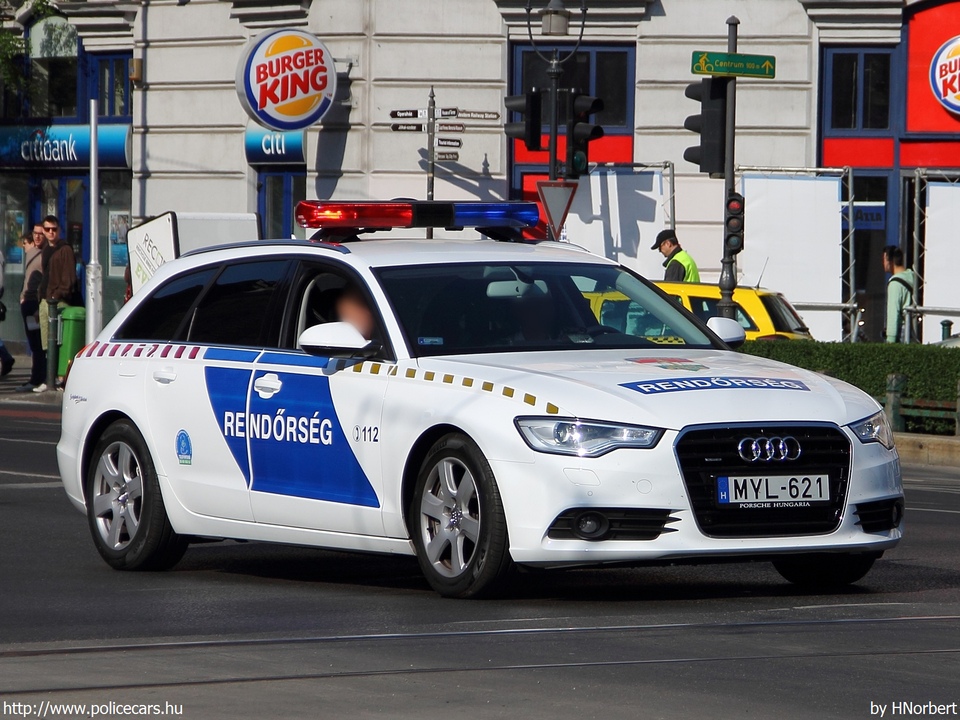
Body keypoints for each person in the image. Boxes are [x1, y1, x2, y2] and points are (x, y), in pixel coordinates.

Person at [36, 215, 77, 392]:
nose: (51, 233)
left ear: (59, 230)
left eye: (54, 229)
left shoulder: (65, 250)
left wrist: (57, 294)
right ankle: (49, 378)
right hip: (46, 300)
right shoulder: (46, 249)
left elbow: (69, 279)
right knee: (47, 343)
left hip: (58, 302)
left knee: (58, 341)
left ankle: (58, 379)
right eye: (47, 230)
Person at [15, 226, 46, 391]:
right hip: (27, 302)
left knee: (38, 343)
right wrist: (22, 296)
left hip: (35, 303)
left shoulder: (44, 255)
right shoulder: (32, 253)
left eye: (42, 233)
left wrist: (39, 305)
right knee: (34, 343)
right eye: (36, 233)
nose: (38, 237)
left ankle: (38, 378)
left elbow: (44, 281)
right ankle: (36, 378)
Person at [883, 245, 917, 344]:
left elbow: (893, 314)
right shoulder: (912, 276)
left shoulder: (895, 284)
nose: (883, 263)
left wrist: (890, 341)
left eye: (884, 259)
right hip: (913, 330)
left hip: (901, 333)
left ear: (890, 261)